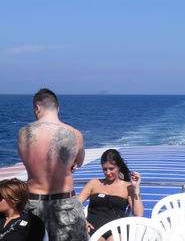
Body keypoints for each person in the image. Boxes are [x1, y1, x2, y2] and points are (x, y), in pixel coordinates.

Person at [17, 88, 89, 241]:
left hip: (33, 204)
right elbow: (79, 162)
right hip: (65, 205)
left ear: (37, 107)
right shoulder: (75, 134)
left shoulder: (23, 133)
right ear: (57, 108)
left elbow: (27, 160)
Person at [79, 149, 144, 240]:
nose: (108, 173)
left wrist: (136, 189)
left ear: (119, 167)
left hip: (116, 230)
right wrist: (83, 221)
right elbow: (76, 205)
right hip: (93, 229)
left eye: (111, 169)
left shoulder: (128, 187)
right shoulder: (93, 183)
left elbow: (138, 213)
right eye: (105, 169)